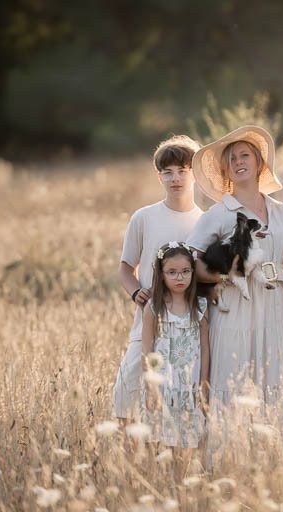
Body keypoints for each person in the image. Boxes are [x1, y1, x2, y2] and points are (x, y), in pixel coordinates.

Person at [186, 125, 283, 468]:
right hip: (232, 310)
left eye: (244, 155)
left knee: (272, 385)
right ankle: (224, 469)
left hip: (275, 310)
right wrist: (228, 274)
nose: (237, 162)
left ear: (260, 162)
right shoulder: (219, 213)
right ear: (225, 170)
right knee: (231, 385)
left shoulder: (281, 212)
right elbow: (191, 265)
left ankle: (270, 471)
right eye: (231, 159)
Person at [112, 135, 203, 421]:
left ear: (195, 173)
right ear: (159, 175)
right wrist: (136, 292)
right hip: (149, 323)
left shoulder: (206, 221)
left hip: (187, 329)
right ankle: (129, 460)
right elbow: (126, 268)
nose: (176, 178)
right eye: (168, 172)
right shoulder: (145, 217)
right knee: (127, 395)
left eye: (183, 170)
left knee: (175, 405)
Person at [140, 242, 210, 478]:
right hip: (163, 384)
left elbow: (205, 347)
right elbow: (147, 348)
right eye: (172, 272)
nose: (179, 277)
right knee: (162, 438)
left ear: (192, 272)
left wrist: (204, 384)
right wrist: (150, 385)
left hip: (188, 386)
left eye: (185, 271)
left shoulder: (199, 306)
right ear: (161, 274)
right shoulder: (153, 307)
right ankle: (163, 481)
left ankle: (183, 481)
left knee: (188, 441)